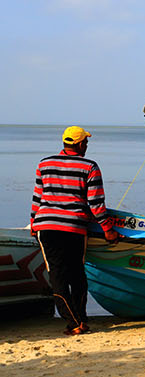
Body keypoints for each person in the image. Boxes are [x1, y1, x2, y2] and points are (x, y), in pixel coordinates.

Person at [29, 126, 118, 336]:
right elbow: (96, 203)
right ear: (79, 144)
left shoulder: (44, 164)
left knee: (57, 276)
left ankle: (74, 322)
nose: (86, 145)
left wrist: (33, 223)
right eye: (85, 142)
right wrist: (108, 229)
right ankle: (80, 320)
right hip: (74, 227)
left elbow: (37, 199)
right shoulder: (90, 167)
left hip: (47, 227)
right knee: (77, 274)